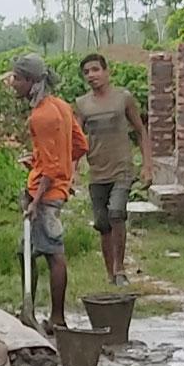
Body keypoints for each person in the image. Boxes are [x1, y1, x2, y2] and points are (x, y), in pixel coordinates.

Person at [8, 54, 86, 329]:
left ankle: (57, 318)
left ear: (31, 81)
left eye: (16, 78)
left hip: (44, 195)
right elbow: (79, 145)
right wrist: (52, 167)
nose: (12, 83)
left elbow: (52, 166)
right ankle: (29, 310)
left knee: (54, 253)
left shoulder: (41, 116)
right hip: (53, 188)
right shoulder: (61, 107)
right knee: (26, 252)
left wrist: (36, 201)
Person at [75, 52, 152, 286]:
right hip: (97, 171)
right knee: (102, 224)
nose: (92, 75)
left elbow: (140, 131)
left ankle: (120, 270)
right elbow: (76, 140)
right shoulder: (82, 104)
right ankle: (110, 273)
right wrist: (73, 170)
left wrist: (148, 164)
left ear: (107, 72)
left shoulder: (123, 98)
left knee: (116, 212)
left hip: (122, 167)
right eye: (87, 72)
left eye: (96, 70)